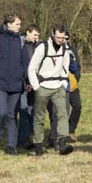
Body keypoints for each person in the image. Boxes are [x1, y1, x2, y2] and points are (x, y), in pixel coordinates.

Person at [0, 13, 30, 156]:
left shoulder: (21, 42)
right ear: (8, 24)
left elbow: (25, 63)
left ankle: (11, 145)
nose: (20, 26)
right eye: (17, 24)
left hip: (16, 84)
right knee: (2, 112)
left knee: (11, 115)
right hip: (0, 83)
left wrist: (28, 81)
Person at [27, 24, 74, 156]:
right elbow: (31, 68)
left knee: (62, 113)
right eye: (58, 37)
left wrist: (64, 83)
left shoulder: (65, 49)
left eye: (62, 38)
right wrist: (36, 86)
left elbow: (65, 68)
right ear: (53, 35)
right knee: (39, 117)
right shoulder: (42, 48)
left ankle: (62, 143)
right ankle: (38, 146)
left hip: (58, 86)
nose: (60, 40)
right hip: (43, 86)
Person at [48, 29, 81, 147]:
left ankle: (65, 135)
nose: (64, 40)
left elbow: (75, 67)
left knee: (67, 110)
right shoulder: (47, 49)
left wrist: (76, 78)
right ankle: (53, 138)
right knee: (55, 112)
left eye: (66, 38)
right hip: (50, 85)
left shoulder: (70, 51)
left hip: (68, 85)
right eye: (62, 38)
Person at [17, 24, 41, 149]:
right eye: (35, 34)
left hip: (34, 83)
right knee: (24, 110)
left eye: (38, 35)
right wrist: (25, 82)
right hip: (22, 84)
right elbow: (19, 65)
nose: (36, 38)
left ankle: (31, 138)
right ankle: (22, 139)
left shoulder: (37, 46)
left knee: (32, 112)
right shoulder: (19, 45)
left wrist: (33, 82)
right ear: (28, 32)